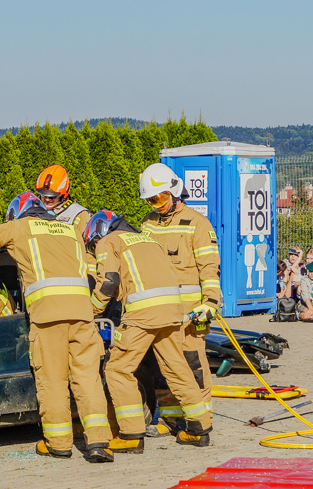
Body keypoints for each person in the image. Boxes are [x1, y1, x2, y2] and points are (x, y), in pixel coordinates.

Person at [0, 192, 113, 463]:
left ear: (17, 212)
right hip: (82, 313)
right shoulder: (70, 230)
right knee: (87, 379)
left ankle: (59, 444)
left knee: (53, 380)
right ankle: (99, 442)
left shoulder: (19, 227)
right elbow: (88, 269)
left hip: (47, 316)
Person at [86, 210, 212, 452]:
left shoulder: (108, 241)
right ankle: (199, 428)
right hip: (173, 311)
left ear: (98, 230)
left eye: (92, 242)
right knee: (176, 367)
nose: (95, 246)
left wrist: (91, 310)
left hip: (142, 314)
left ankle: (131, 434)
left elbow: (109, 281)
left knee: (118, 369)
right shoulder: (148, 239)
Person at [139, 162, 220, 435]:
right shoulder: (147, 224)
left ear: (174, 192)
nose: (156, 204)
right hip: (160, 313)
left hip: (190, 313)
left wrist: (210, 303)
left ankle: (201, 417)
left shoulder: (197, 224)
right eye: (151, 199)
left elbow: (209, 268)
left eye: (160, 197)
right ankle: (172, 418)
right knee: (163, 366)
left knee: (192, 364)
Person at [34, 165, 94, 266]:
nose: (47, 199)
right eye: (44, 195)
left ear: (64, 194)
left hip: (67, 268)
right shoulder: (35, 210)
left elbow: (86, 252)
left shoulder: (79, 214)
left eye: (52, 196)